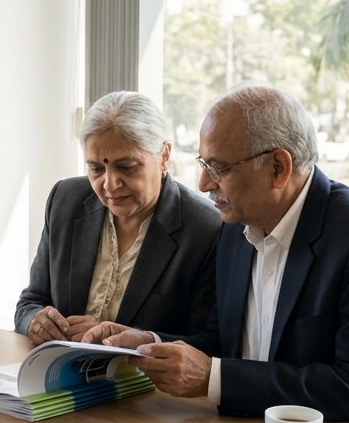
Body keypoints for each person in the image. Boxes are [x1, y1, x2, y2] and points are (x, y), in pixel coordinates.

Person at [84, 84, 349, 423]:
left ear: (278, 168)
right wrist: (150, 342)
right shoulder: (235, 227)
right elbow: (224, 342)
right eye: (203, 164)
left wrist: (213, 379)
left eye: (218, 168)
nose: (204, 183)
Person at [15, 91, 220, 345]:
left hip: (142, 371)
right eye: (96, 169)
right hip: (59, 366)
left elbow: (209, 342)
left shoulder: (206, 229)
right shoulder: (65, 201)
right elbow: (30, 302)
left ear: (164, 156)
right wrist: (36, 322)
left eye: (126, 167)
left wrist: (130, 340)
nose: (109, 184)